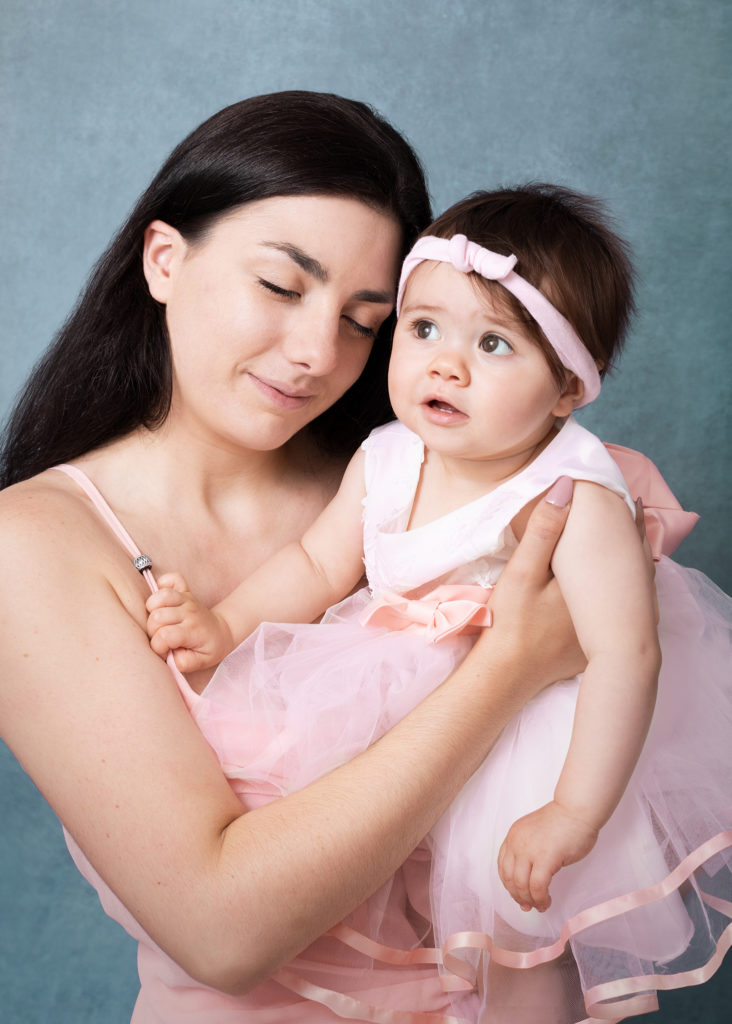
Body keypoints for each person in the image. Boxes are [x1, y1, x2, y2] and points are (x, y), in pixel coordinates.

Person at [0, 93, 615, 1023]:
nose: (317, 352)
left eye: (367, 320)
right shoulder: (38, 545)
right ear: (165, 260)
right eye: (282, 288)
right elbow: (223, 933)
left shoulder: (403, 483)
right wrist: (510, 665)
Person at [146, 185, 732, 1023]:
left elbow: (625, 655)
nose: (445, 365)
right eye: (423, 329)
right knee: (376, 901)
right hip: (405, 711)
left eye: (494, 344)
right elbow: (315, 563)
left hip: (533, 739)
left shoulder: (571, 494)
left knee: (518, 937)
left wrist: (572, 809)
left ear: (568, 389)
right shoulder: (387, 456)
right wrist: (224, 624)